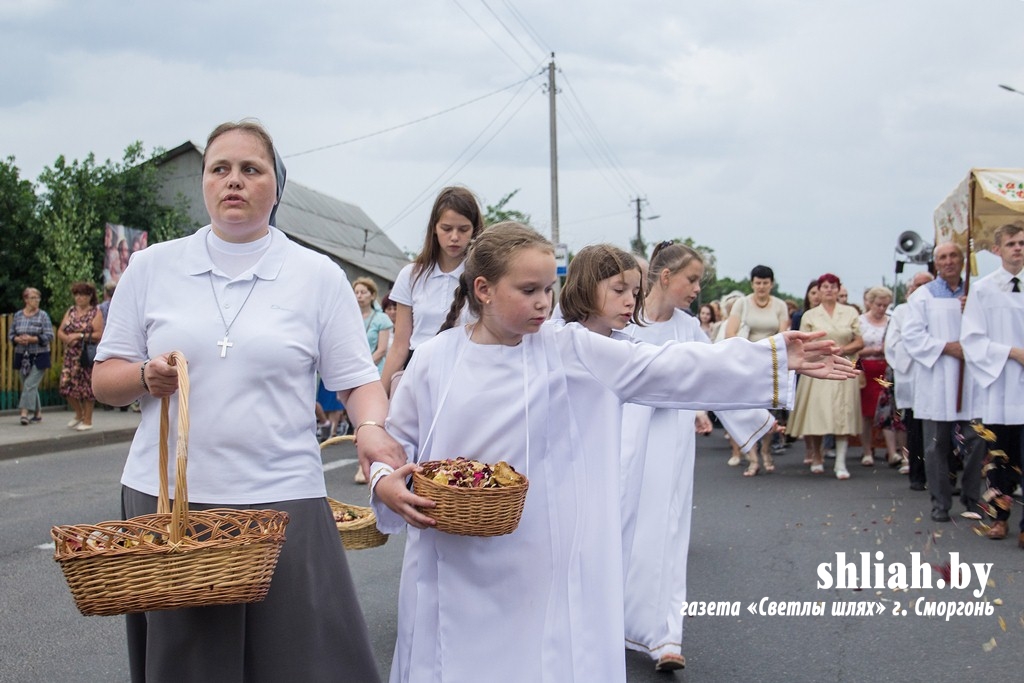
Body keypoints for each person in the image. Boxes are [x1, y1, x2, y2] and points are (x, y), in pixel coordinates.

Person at [369, 222, 855, 683]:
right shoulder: (435, 358)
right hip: (447, 553)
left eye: (547, 290)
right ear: (484, 290)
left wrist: (771, 354)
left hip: (538, 559)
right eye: (528, 291)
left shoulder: (568, 349)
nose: (543, 304)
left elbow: (663, 367)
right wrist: (386, 483)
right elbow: (397, 441)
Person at [91, 120, 405, 683]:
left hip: (283, 498)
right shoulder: (152, 267)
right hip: (171, 503)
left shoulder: (316, 276)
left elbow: (357, 381)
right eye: (220, 169)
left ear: (275, 187)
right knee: (190, 669)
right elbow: (104, 379)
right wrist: (144, 375)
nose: (234, 181)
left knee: (303, 662)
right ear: (205, 183)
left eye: (251, 169)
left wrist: (372, 428)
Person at [616, 241, 774, 672]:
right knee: (621, 524)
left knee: (667, 527)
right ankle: (611, 620)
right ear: (665, 277)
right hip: (622, 434)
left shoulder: (688, 328)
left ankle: (665, 636)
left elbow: (716, 371)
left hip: (671, 438)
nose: (696, 289)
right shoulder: (623, 321)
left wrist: (736, 414)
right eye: (692, 279)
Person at [902, 242, 985, 523]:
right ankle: (940, 501)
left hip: (971, 379)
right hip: (937, 378)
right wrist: (948, 347)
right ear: (935, 263)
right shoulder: (923, 296)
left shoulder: (976, 294)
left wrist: (973, 311)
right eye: (942, 257)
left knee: (977, 440)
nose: (948, 261)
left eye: (953, 256)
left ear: (963, 261)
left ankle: (972, 496)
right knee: (935, 445)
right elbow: (912, 336)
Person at [379, 186, 484, 396]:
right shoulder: (411, 275)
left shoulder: (484, 278)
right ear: (434, 228)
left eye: (463, 229)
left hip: (470, 374)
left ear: (474, 230)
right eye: (446, 228)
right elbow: (399, 346)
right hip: (419, 375)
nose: (454, 237)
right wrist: (378, 398)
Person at [960, 222, 1024, 544]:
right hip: (1000, 387)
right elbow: (972, 339)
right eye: (1011, 243)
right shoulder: (984, 289)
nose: (1018, 248)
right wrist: (1011, 352)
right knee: (1000, 456)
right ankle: (1000, 518)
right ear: (998, 249)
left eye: (1023, 243)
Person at [786, 273, 864, 478]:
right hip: (817, 366)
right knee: (817, 413)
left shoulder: (850, 313)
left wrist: (843, 349)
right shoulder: (810, 315)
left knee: (842, 414)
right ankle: (817, 456)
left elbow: (859, 341)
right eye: (825, 286)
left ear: (839, 289)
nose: (829, 290)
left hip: (843, 365)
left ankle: (840, 462)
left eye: (833, 286)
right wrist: (823, 350)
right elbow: (802, 343)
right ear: (818, 290)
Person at [725, 265, 789, 475]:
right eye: (758, 282)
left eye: (765, 283)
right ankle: (752, 458)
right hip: (746, 361)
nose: (761, 287)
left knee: (768, 410)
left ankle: (767, 451)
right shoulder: (742, 304)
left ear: (772, 284)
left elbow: (783, 334)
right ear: (752, 283)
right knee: (747, 410)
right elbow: (730, 333)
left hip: (770, 362)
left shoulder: (779, 305)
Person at [884, 271, 934, 488]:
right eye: (917, 285)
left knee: (941, 431)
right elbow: (893, 344)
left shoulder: (942, 308)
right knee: (915, 428)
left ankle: (943, 478)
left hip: (937, 376)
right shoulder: (901, 312)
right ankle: (917, 474)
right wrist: (916, 354)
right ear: (910, 290)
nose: (922, 289)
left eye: (927, 285)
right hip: (912, 374)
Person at [857, 286, 898, 467]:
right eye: (878, 305)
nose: (882, 309)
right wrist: (873, 350)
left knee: (888, 411)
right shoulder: (860, 322)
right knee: (866, 413)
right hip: (867, 368)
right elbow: (855, 346)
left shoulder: (892, 321)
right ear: (870, 303)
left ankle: (892, 452)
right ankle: (867, 451)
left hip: (886, 368)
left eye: (885, 305)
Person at [58, 281, 104, 431]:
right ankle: (79, 413)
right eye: (77, 294)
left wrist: (78, 335)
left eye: (83, 295)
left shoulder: (95, 312)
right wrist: (67, 338)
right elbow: (60, 331)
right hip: (70, 355)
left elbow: (98, 334)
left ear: (90, 296)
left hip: (85, 355)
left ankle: (88, 419)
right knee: (65, 385)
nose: (79, 298)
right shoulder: (71, 311)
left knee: (85, 387)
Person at [9, 287, 53, 425]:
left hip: (39, 355)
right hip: (22, 356)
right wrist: (18, 339)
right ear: (26, 299)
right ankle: (38, 413)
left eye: (38, 298)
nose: (36, 301)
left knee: (29, 384)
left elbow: (49, 335)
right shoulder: (18, 316)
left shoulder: (43, 315)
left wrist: (33, 338)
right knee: (29, 386)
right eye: (33, 298)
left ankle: (24, 413)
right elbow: (11, 334)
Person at [353, 277, 393, 373]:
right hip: (352, 369)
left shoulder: (381, 318)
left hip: (373, 369)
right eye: (356, 292)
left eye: (363, 292)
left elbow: (382, 350)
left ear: (372, 295)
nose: (359, 296)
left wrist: (363, 367)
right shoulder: (351, 317)